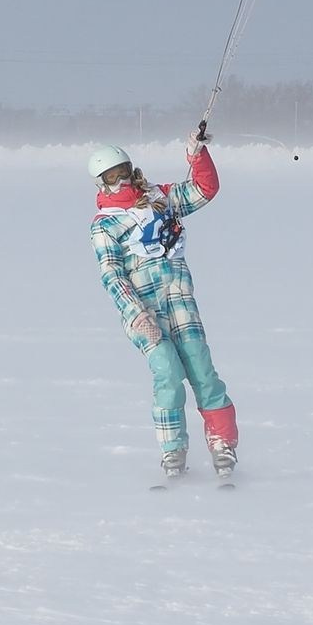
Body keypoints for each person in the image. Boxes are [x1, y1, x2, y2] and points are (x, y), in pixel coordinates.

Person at [89, 121, 239, 482]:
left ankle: (222, 444)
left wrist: (197, 154)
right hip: (145, 315)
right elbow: (112, 274)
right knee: (169, 375)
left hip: (181, 305)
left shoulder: (160, 199)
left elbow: (205, 189)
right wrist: (136, 313)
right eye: (111, 178)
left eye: (123, 173)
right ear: (100, 184)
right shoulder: (104, 225)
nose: (121, 182)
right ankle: (173, 450)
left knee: (202, 372)